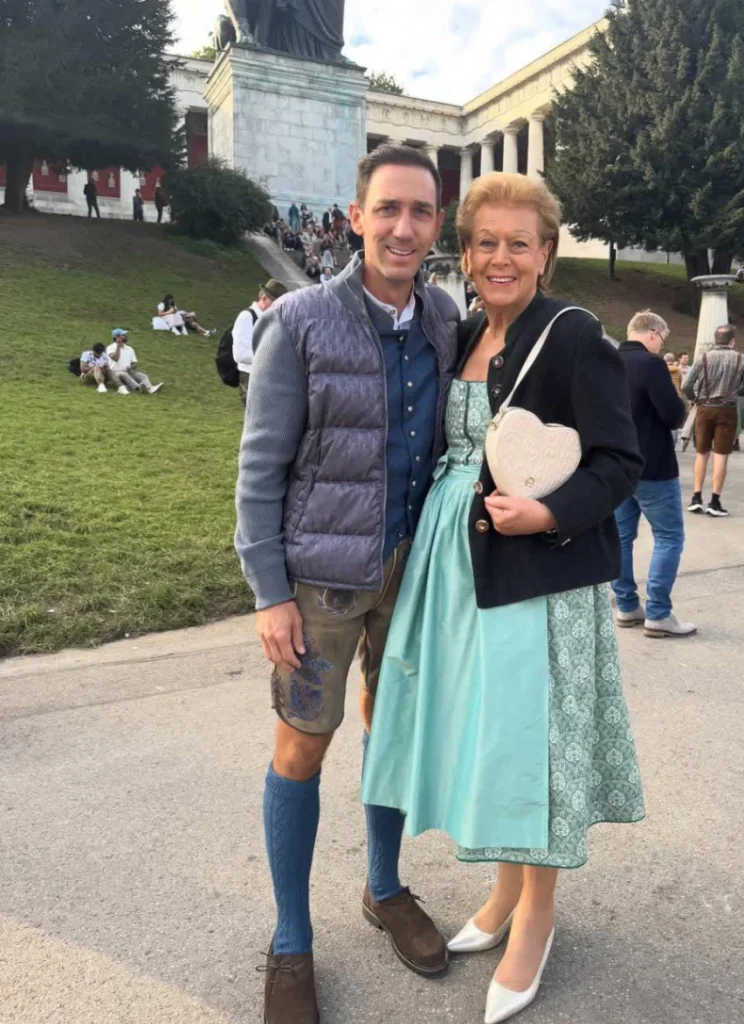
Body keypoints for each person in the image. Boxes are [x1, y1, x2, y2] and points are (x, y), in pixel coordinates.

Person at [361, 171, 645, 1024]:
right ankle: (504, 891)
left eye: (520, 243)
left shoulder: (575, 336)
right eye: (486, 242)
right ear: (466, 251)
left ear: (546, 252)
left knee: (531, 746)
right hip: (455, 570)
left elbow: (619, 461)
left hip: (536, 575)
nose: (501, 258)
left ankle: (537, 917)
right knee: (489, 738)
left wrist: (550, 514)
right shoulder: (463, 333)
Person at [236, 144, 459, 1024]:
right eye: (388, 209)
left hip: (409, 574)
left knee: (391, 733)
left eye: (421, 211)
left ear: (437, 225)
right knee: (303, 744)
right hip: (318, 586)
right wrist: (268, 593)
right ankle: (292, 937)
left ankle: (384, 886)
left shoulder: (443, 316)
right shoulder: (299, 321)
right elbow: (260, 469)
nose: (404, 227)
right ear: (357, 217)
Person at [612, 313, 694, 637]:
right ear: (654, 334)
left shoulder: (606, 360)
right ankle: (658, 613)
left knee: (620, 537)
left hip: (616, 464)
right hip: (653, 465)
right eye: (663, 340)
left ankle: (626, 605)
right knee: (669, 537)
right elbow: (673, 415)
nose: (662, 346)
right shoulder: (651, 364)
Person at [683, 324, 744, 517]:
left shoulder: (703, 357)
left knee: (701, 453)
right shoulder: (741, 359)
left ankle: (696, 498)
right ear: (732, 341)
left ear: (716, 339)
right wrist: (735, 392)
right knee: (721, 455)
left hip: (704, 407)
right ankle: (714, 502)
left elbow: (686, 385)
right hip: (727, 409)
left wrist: (695, 398)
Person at [231, 279, 288, 405]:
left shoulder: (274, 320)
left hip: (270, 378)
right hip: (251, 378)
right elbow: (240, 354)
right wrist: (270, 357)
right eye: (276, 303)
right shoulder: (247, 317)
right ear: (264, 298)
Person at [106, 329, 163, 394]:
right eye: (123, 335)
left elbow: (134, 363)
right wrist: (118, 346)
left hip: (128, 371)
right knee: (124, 374)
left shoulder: (130, 349)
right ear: (117, 337)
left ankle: (150, 388)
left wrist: (131, 367)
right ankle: (139, 388)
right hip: (115, 372)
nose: (125, 336)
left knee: (143, 375)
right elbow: (115, 358)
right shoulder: (110, 348)